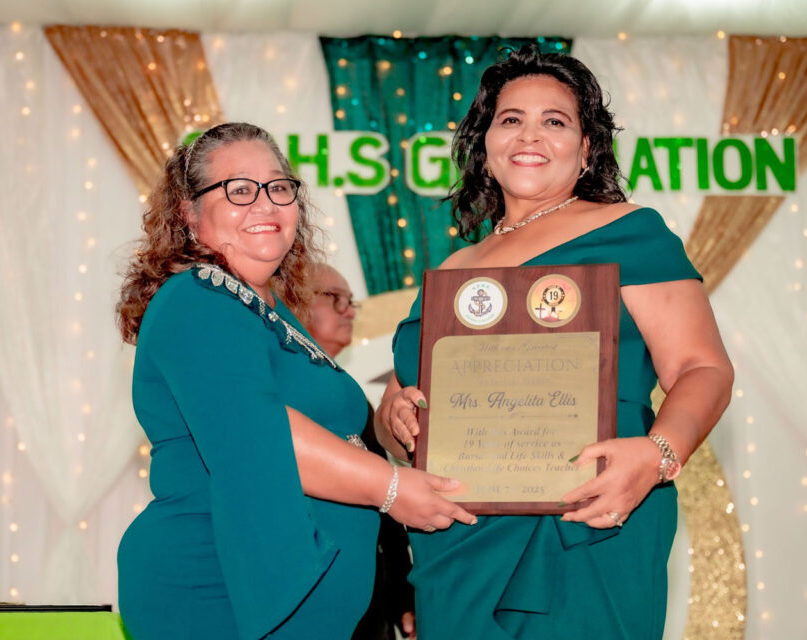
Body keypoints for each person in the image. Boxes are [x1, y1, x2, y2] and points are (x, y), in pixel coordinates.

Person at [375, 46, 734, 638]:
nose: (529, 135)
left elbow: (704, 368)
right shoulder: (455, 267)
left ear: (587, 148)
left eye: (555, 120)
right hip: (457, 539)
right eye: (510, 119)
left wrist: (656, 455)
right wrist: (394, 414)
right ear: (485, 145)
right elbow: (407, 412)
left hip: (586, 528)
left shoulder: (630, 233)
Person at [115, 122, 475, 640]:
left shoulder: (271, 311)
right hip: (218, 591)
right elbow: (256, 432)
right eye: (238, 189)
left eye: (278, 187)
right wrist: (393, 489)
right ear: (188, 213)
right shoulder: (195, 297)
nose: (265, 203)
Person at [303, 263, 417, 640]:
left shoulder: (350, 397)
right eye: (335, 298)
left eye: (351, 302)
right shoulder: (275, 391)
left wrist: (403, 593)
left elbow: (386, 501)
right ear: (290, 298)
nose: (349, 311)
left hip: (372, 603)